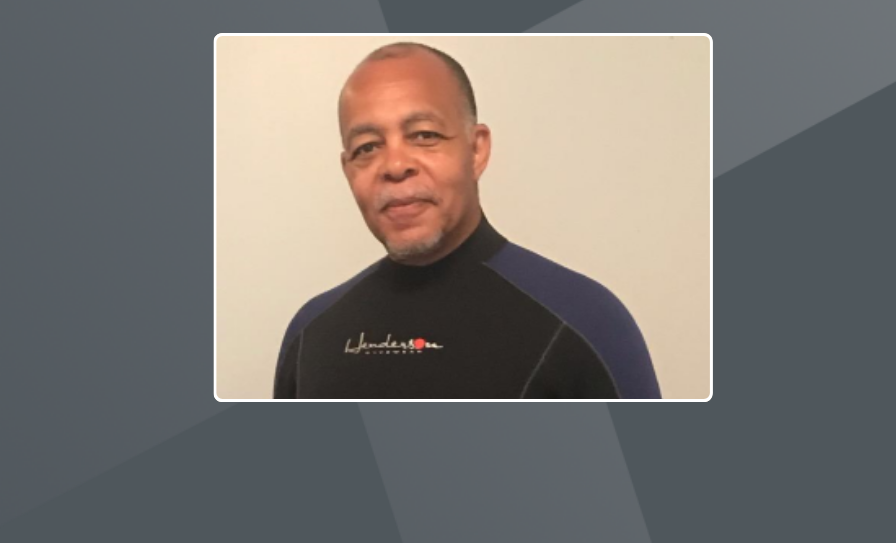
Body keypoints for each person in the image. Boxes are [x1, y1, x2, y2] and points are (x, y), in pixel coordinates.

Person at [273, 42, 661, 399]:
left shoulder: (586, 321)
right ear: (347, 170)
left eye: (424, 135)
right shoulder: (311, 335)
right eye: (367, 147)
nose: (394, 166)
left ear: (476, 151)